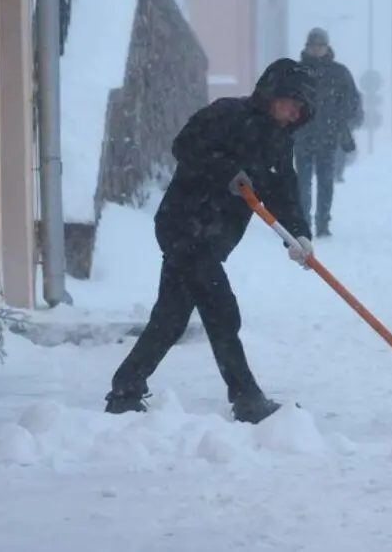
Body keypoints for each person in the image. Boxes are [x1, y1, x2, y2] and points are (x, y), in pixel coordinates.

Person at [104, 58, 317, 424]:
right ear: (271, 94)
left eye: (299, 110)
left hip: (214, 237)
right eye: (290, 104)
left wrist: (298, 234)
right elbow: (184, 145)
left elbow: (285, 192)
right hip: (185, 226)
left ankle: (126, 387)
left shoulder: (280, 143)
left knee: (170, 319)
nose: (292, 114)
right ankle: (245, 396)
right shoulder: (227, 115)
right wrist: (227, 172)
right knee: (221, 311)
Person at [296, 27, 361, 237]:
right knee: (302, 182)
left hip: (328, 137)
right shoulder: (295, 73)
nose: (316, 50)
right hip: (302, 136)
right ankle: (303, 222)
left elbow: (352, 102)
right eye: (313, 46)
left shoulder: (339, 73)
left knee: (325, 182)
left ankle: (323, 222)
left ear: (327, 47)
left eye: (320, 46)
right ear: (307, 48)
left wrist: (343, 125)